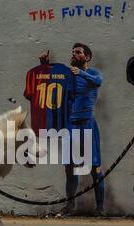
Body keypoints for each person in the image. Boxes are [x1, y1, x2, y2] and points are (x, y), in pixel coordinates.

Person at [39, 43, 106, 216]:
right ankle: (70, 206)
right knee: (70, 168)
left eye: (78, 52)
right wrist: (44, 66)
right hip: (71, 125)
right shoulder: (68, 76)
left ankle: (100, 208)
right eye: (73, 52)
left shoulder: (92, 73)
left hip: (88, 124)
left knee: (94, 167)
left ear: (87, 57)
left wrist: (81, 73)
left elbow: (98, 82)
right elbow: (53, 80)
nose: (74, 54)